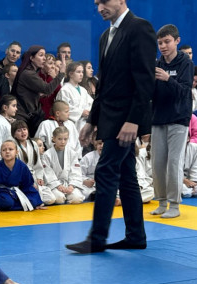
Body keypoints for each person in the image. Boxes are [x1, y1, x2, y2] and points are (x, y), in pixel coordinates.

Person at [67, 0, 156, 253]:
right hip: (109, 116)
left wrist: (134, 120)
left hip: (126, 119)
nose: (100, 8)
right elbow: (103, 84)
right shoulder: (106, 36)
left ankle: (97, 238)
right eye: (96, 4)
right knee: (127, 177)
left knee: (105, 171)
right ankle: (136, 236)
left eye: (104, 1)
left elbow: (145, 80)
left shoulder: (139, 28)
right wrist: (91, 121)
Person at [149, 24, 193, 219]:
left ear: (177, 41)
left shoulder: (186, 63)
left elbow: (185, 92)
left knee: (174, 162)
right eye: (160, 43)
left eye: (167, 42)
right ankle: (161, 202)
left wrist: (168, 79)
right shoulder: (157, 64)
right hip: (158, 118)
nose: (163, 46)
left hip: (178, 119)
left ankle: (174, 205)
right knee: (158, 163)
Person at [11, 45, 65, 135]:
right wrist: (61, 73)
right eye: (41, 55)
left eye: (44, 55)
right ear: (32, 58)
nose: (44, 58)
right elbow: (47, 89)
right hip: (24, 116)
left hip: (31, 115)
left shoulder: (32, 72)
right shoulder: (28, 74)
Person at [0, 140, 46, 212]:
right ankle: (17, 205)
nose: (7, 152)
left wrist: (37, 202)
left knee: (33, 201)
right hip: (2, 193)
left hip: (18, 193)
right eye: (4, 150)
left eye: (10, 149)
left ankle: (14, 205)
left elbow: (28, 186)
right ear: (0, 153)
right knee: (7, 201)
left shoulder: (22, 166)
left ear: (16, 152)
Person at [11, 120, 54, 205]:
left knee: (51, 199)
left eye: (24, 129)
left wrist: (39, 178)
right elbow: (15, 169)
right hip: (21, 181)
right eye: (19, 130)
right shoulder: (13, 146)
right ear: (14, 134)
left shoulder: (33, 144)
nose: (23, 132)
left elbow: (38, 165)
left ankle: (32, 199)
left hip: (33, 178)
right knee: (32, 201)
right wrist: (29, 182)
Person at [41, 126, 85, 204]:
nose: (63, 142)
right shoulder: (47, 155)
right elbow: (48, 173)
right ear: (54, 139)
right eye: (60, 139)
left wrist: (71, 186)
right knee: (59, 199)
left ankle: (68, 195)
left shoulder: (72, 153)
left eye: (65, 139)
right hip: (54, 185)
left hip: (68, 183)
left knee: (77, 198)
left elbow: (76, 172)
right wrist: (58, 186)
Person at [56, 61, 94, 132]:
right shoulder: (65, 89)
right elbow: (63, 108)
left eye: (82, 72)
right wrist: (81, 112)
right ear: (71, 74)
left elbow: (91, 103)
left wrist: (88, 112)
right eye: (78, 72)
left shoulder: (83, 90)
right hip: (69, 124)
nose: (81, 74)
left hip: (83, 123)